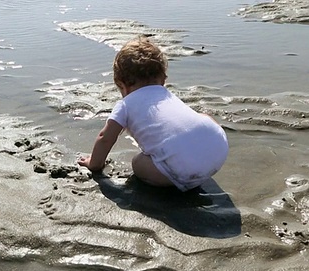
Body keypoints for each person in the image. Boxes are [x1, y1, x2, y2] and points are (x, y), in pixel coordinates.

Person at [77, 36, 228, 192]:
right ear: (163, 80)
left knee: (138, 163)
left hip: (180, 170)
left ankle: (180, 178)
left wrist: (94, 164)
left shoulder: (125, 104)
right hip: (218, 152)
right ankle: (196, 167)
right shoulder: (166, 94)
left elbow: (105, 138)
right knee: (203, 118)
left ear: (122, 85)